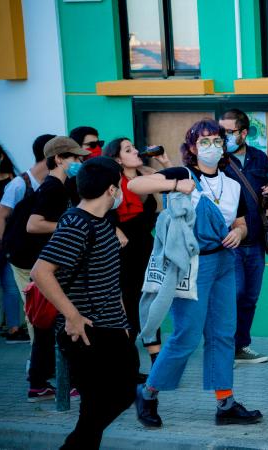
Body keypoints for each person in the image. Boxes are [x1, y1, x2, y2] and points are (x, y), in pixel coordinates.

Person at [128, 118, 262, 428]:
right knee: (186, 336)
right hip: (192, 266)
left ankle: (225, 402)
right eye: (204, 141)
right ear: (191, 147)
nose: (212, 146)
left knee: (223, 334)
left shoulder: (232, 183)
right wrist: (174, 185)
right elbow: (134, 185)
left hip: (225, 263)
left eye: (217, 140)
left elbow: (240, 221)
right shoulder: (182, 174)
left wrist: (239, 234)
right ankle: (147, 393)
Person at [30, 156, 137, 450]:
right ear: (113, 190)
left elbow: (110, 277)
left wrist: (123, 321)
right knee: (94, 409)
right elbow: (41, 271)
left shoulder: (102, 223)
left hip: (112, 327)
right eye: (121, 185)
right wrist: (73, 317)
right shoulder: (76, 224)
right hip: (86, 331)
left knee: (124, 392)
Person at [23, 136, 91, 402]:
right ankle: (58, 383)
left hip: (55, 266)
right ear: (59, 159)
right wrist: (70, 226)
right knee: (56, 325)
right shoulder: (52, 188)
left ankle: (40, 383)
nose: (79, 163)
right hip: (49, 268)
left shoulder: (62, 187)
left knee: (50, 326)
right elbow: (33, 224)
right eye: (74, 158)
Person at [219, 108, 268, 364]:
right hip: (230, 240)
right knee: (234, 294)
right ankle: (225, 346)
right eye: (220, 132)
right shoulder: (219, 161)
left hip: (256, 239)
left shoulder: (258, 157)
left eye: (228, 132)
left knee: (250, 296)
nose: (223, 137)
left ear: (244, 133)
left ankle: (241, 346)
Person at [103, 138, 172, 380]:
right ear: (118, 159)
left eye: (134, 147)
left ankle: (158, 366)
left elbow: (176, 185)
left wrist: (163, 161)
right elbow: (100, 211)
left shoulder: (147, 176)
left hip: (147, 247)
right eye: (128, 149)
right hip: (123, 249)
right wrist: (115, 229)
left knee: (153, 303)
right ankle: (127, 368)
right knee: (130, 306)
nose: (135, 151)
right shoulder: (112, 181)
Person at [0, 134, 52, 296]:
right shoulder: (19, 184)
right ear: (50, 155)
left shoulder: (53, 182)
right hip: (23, 255)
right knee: (33, 304)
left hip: (42, 254)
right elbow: (1, 215)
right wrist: (7, 246)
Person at [0, 143, 26, 343]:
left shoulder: (14, 182)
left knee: (10, 286)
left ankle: (14, 328)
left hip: (7, 240)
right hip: (6, 240)